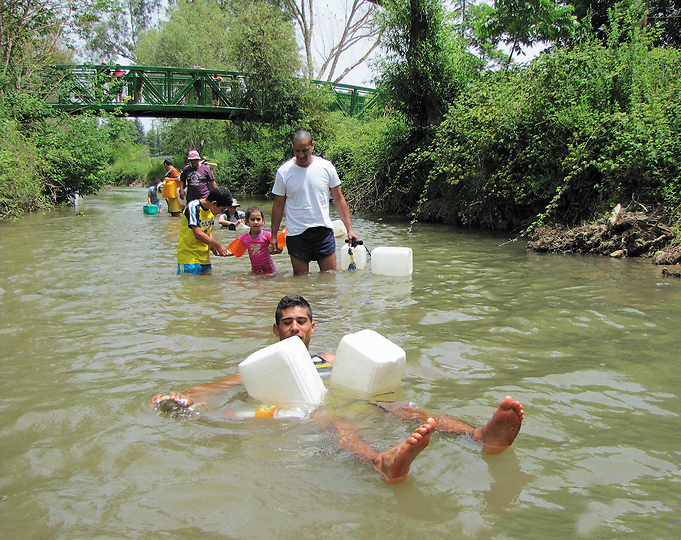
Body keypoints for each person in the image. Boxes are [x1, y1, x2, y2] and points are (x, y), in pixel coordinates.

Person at [150, 295, 524, 482]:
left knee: (407, 409)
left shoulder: (330, 357)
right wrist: (182, 397)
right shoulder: (263, 367)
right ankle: (380, 461)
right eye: (286, 323)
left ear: (313, 327)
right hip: (310, 413)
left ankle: (478, 435)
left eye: (301, 322)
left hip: (356, 399)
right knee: (333, 423)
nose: (294, 328)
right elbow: (216, 388)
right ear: (276, 331)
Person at [269, 130, 359, 275]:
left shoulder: (326, 167)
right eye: (297, 150)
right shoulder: (284, 172)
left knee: (330, 279)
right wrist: (273, 236)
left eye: (304, 150)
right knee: (300, 281)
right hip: (296, 234)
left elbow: (338, 198)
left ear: (312, 146)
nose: (300, 155)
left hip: (323, 231)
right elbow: (278, 205)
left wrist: (349, 229)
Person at [177, 186, 233, 275]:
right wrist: (218, 245)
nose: (221, 213)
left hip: (204, 257)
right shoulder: (193, 207)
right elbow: (198, 234)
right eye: (222, 209)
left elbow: (208, 230)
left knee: (207, 286)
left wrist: (212, 247)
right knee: (191, 286)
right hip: (188, 257)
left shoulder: (212, 210)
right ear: (214, 203)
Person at [236, 205, 276, 275]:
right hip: (255, 271)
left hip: (269, 270)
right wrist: (222, 252)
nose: (256, 222)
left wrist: (274, 249)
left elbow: (279, 248)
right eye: (252, 219)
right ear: (247, 222)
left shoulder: (267, 235)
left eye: (258, 219)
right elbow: (234, 250)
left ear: (263, 221)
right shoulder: (244, 238)